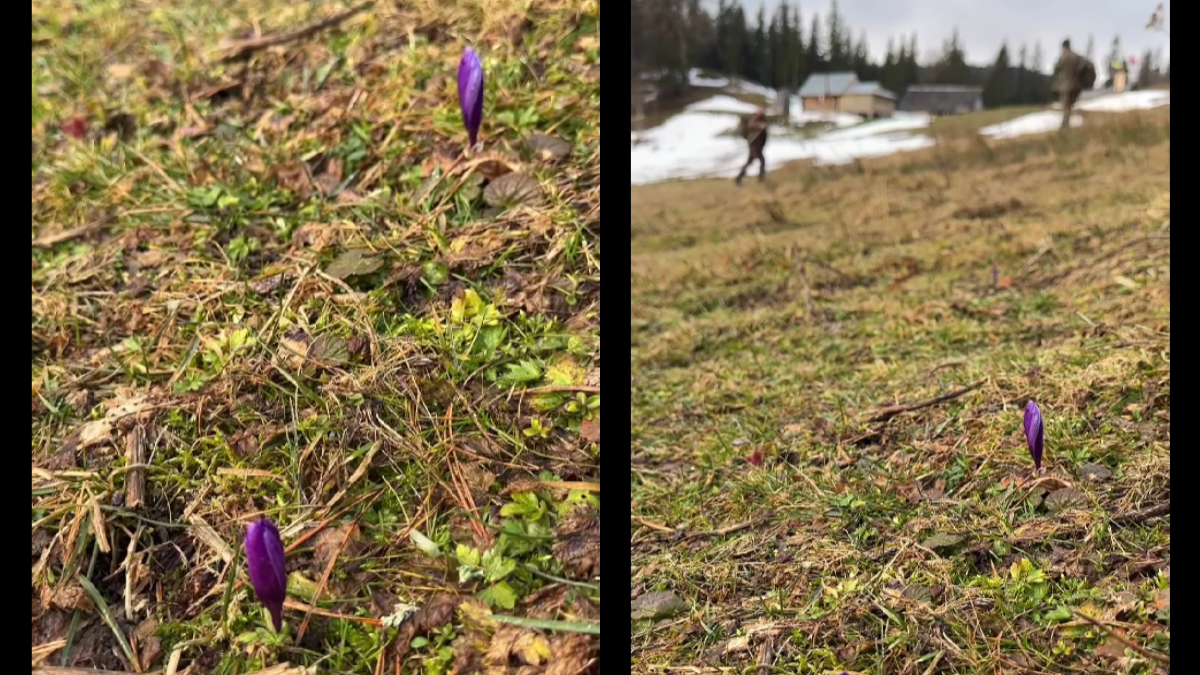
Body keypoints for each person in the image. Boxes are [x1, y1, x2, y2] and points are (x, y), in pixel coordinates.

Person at [1052, 39, 1085, 131]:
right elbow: (1083, 66)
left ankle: (1065, 125)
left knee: (1066, 106)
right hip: (1076, 85)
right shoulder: (1077, 57)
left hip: (1065, 86)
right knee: (1070, 105)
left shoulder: (1063, 57)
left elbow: (1056, 69)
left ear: (1064, 47)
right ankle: (1067, 123)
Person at [736, 109, 768, 186]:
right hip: (754, 144)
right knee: (762, 161)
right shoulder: (755, 118)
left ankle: (739, 178)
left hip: (756, 145)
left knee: (750, 162)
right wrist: (760, 126)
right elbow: (751, 125)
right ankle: (761, 179)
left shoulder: (762, 119)